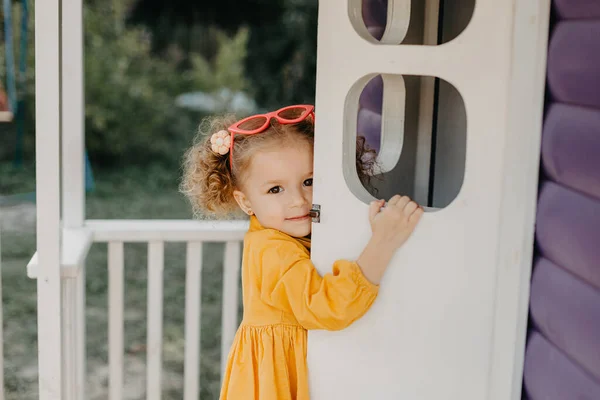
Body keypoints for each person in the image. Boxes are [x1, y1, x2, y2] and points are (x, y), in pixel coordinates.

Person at [180, 104, 423, 399]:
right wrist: (383, 240)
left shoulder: (282, 234)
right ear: (245, 202)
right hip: (273, 385)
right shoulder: (272, 249)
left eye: (309, 182)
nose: (298, 200)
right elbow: (327, 306)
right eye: (275, 190)